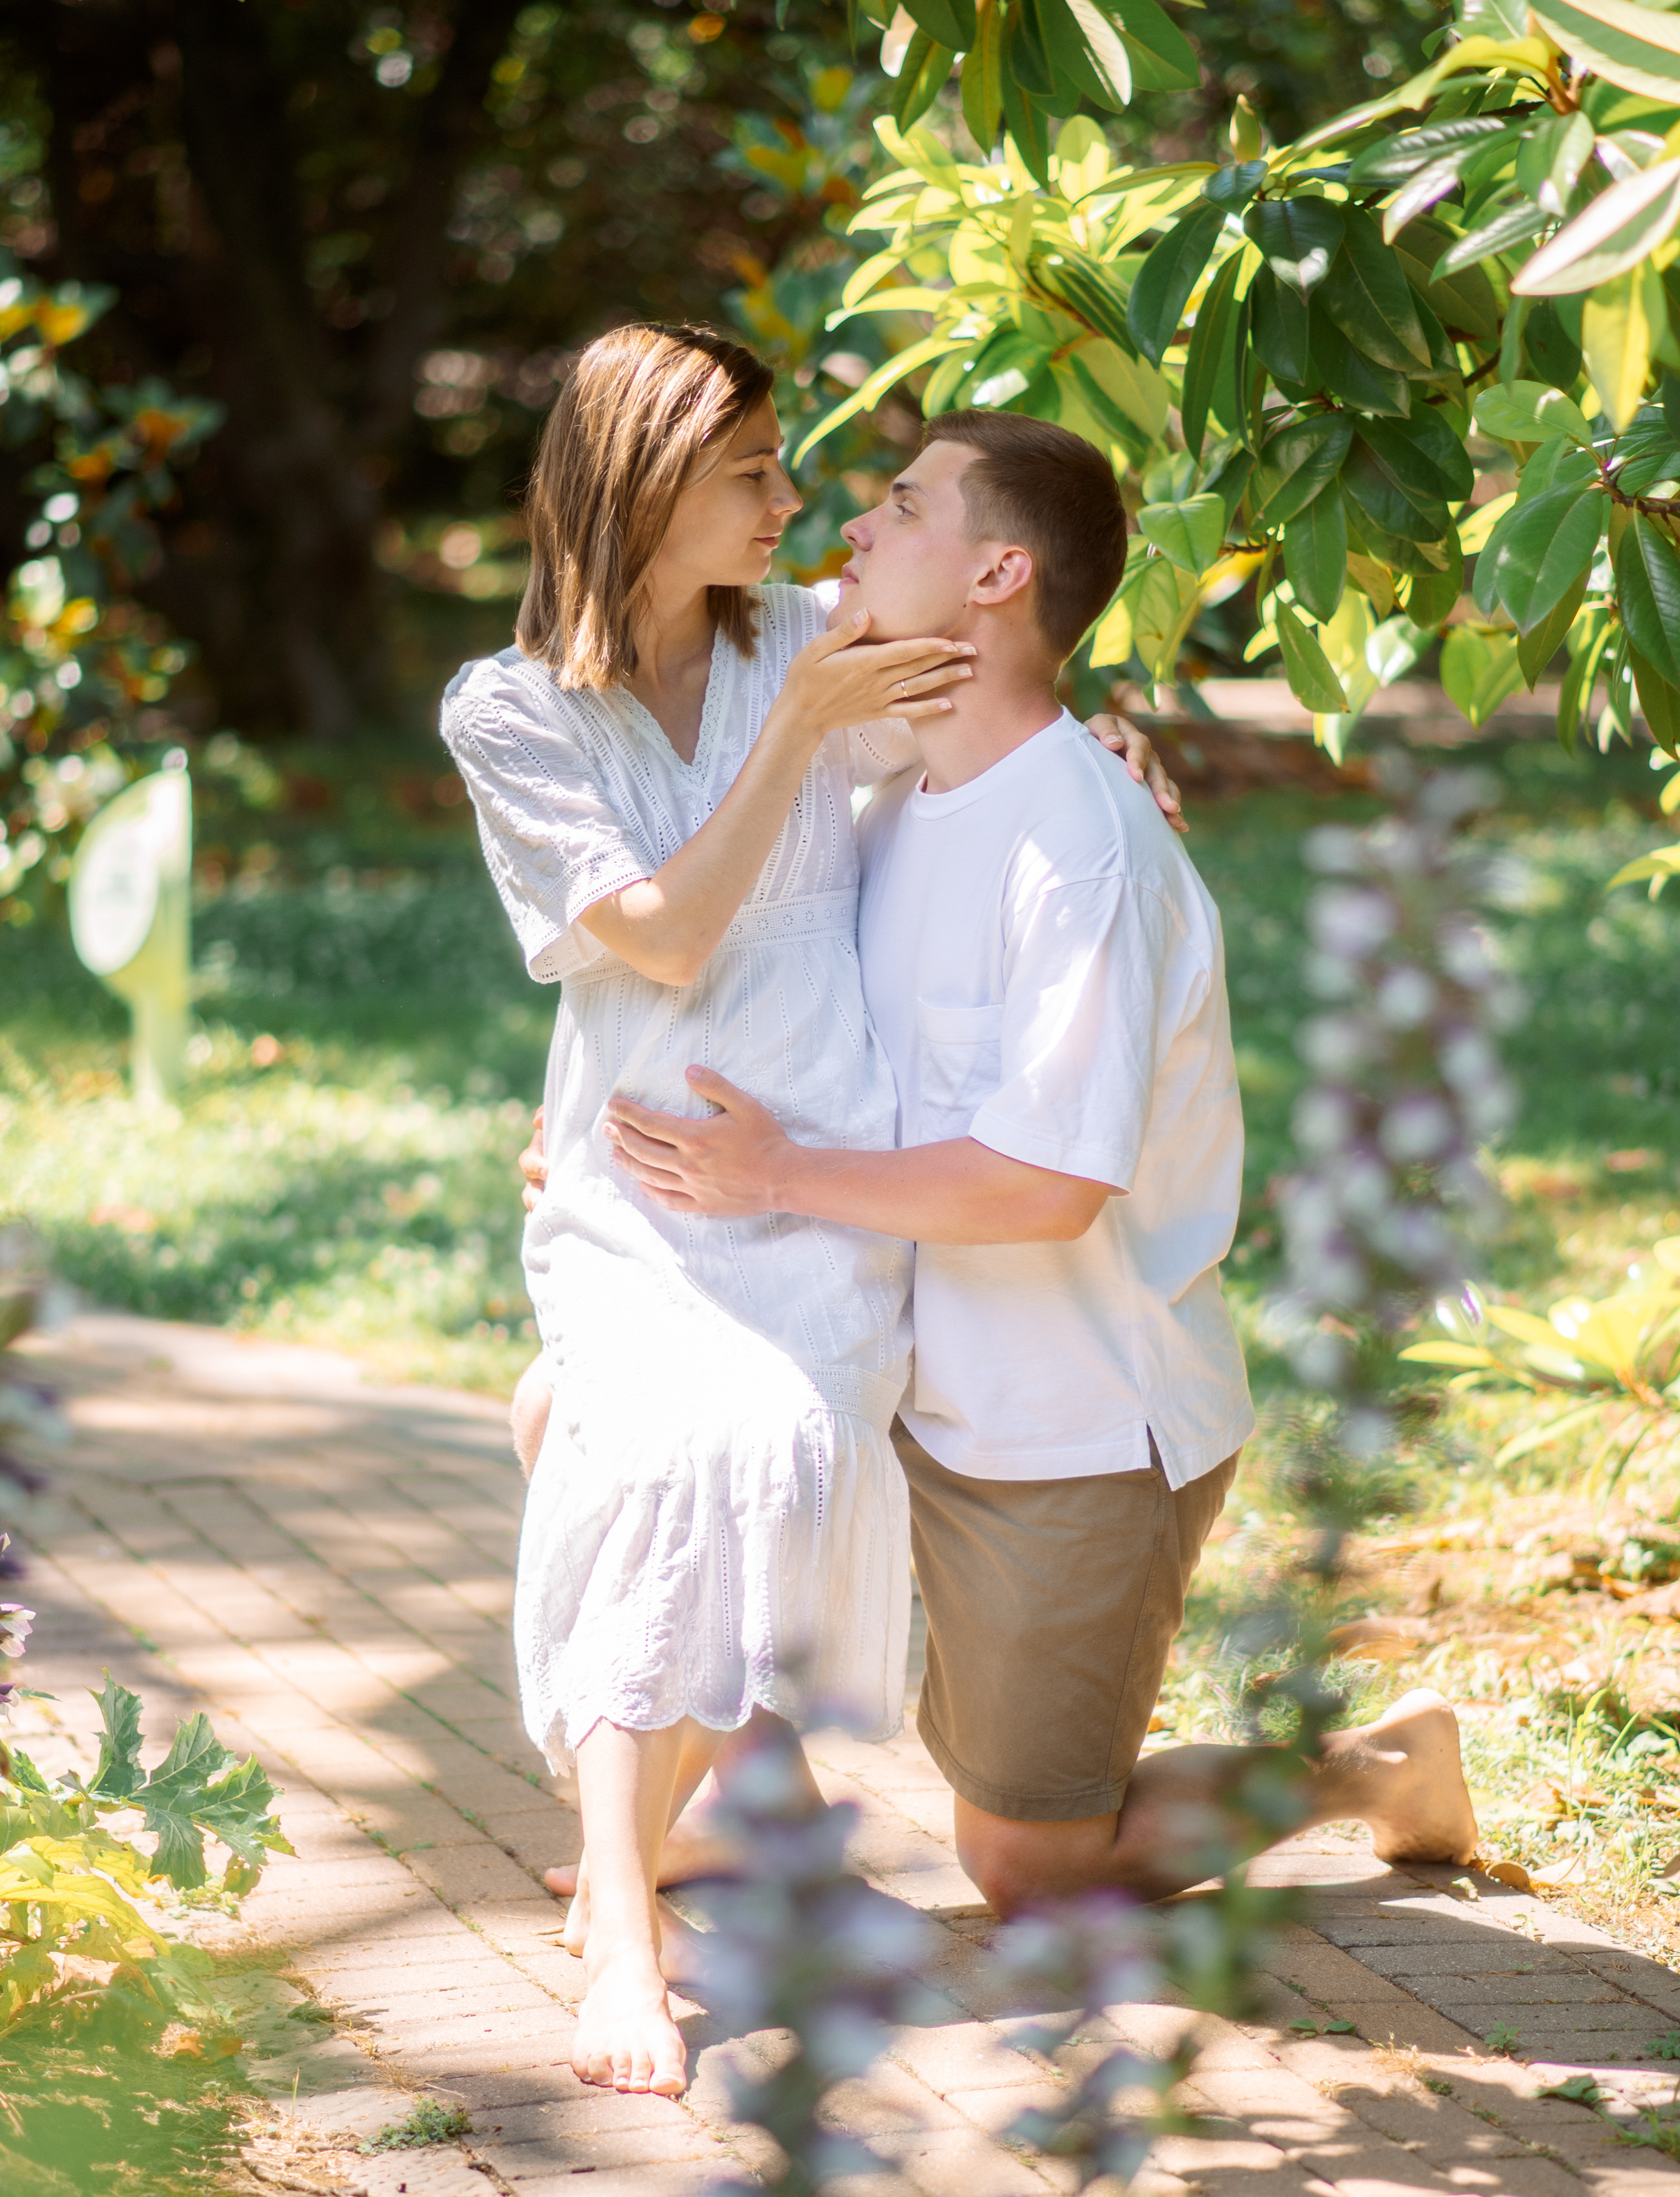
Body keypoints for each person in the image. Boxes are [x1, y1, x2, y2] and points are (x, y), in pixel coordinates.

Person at [604, 409, 1479, 1912]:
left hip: (1062, 1425)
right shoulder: (877, 811)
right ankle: (754, 1809)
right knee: (616, 1420)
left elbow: (1041, 1186)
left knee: (1025, 1864)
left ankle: (1378, 1768)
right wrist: (611, 1148)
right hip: (888, 1384)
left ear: (999, 571)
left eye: (899, 506)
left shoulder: (1081, 845)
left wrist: (768, 1176)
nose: (852, 532)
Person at [441, 328, 1175, 2101]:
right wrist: (795, 733)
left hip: (814, 1169)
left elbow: (1019, 714)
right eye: (756, 473)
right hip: (637, 1190)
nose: (799, 507)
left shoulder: (815, 638)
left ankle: (718, 1805)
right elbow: (663, 938)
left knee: (762, 1447)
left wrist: (1127, 763)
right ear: (645, 487)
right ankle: (624, 1920)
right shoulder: (515, 711)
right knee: (651, 1449)